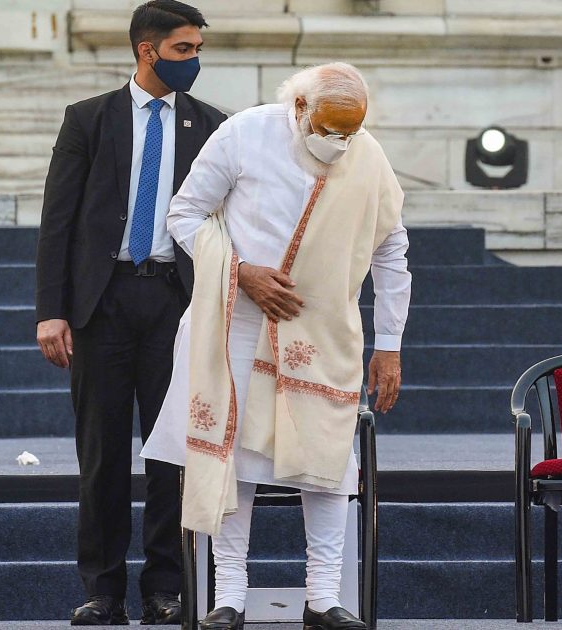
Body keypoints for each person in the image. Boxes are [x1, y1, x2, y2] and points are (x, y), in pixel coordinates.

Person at [140, 62, 411, 630]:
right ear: (299, 109)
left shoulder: (368, 157)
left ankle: (324, 599)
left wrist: (390, 343)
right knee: (233, 461)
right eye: (329, 129)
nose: (338, 144)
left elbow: (390, 250)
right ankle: (229, 597)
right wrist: (242, 273)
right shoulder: (245, 133)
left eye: (350, 132)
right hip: (238, 321)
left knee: (328, 462)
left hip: (323, 331)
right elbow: (183, 215)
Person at [34, 1, 225, 624]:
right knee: (103, 451)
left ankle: (165, 587)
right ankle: (103, 590)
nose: (194, 60)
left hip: (177, 300)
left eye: (197, 50)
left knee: (172, 449)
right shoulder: (88, 120)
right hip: (102, 302)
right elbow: (58, 220)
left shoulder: (212, 125)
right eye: (184, 50)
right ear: (148, 50)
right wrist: (51, 311)